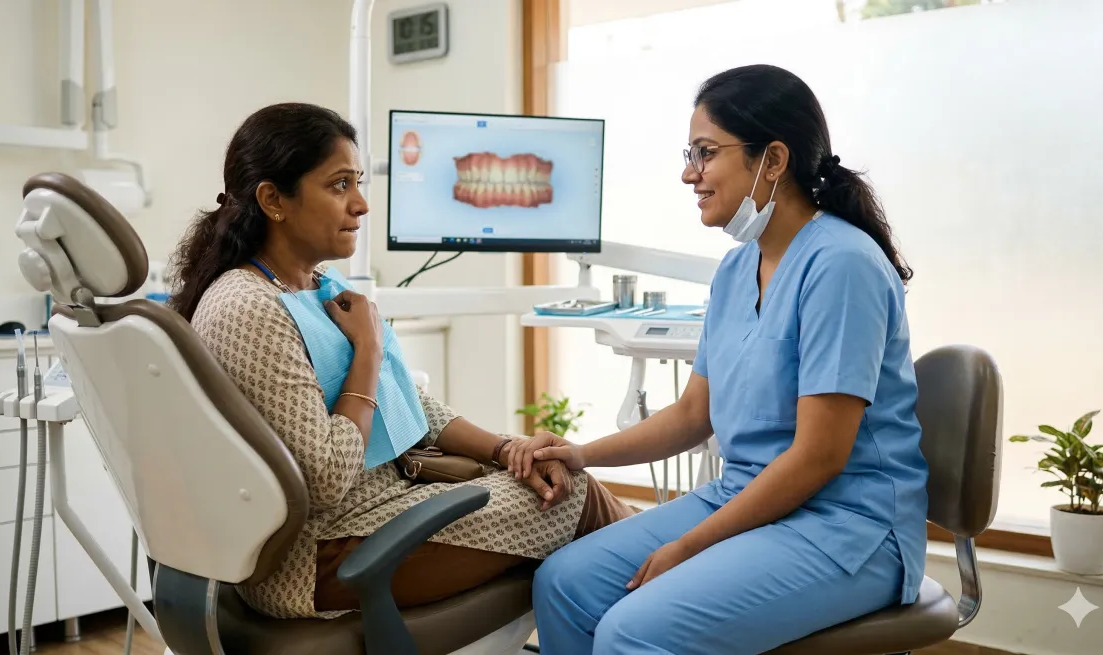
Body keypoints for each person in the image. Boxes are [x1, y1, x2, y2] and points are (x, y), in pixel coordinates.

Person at [166, 102, 635, 620]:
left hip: (381, 513)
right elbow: (325, 480)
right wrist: (366, 350)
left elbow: (405, 404)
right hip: (317, 556)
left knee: (549, 477)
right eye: (340, 185)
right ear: (274, 200)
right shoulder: (246, 307)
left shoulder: (322, 287)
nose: (362, 204)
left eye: (358, 182)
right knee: (571, 497)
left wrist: (508, 450)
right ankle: (683, 591)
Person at [519, 64, 930, 654]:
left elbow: (818, 458)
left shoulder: (842, 265)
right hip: (746, 495)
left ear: (774, 160)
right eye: (690, 153)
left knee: (633, 629)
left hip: (848, 526)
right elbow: (693, 415)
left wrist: (689, 547)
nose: (689, 174)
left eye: (705, 153)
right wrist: (580, 455)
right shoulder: (737, 270)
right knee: (563, 584)